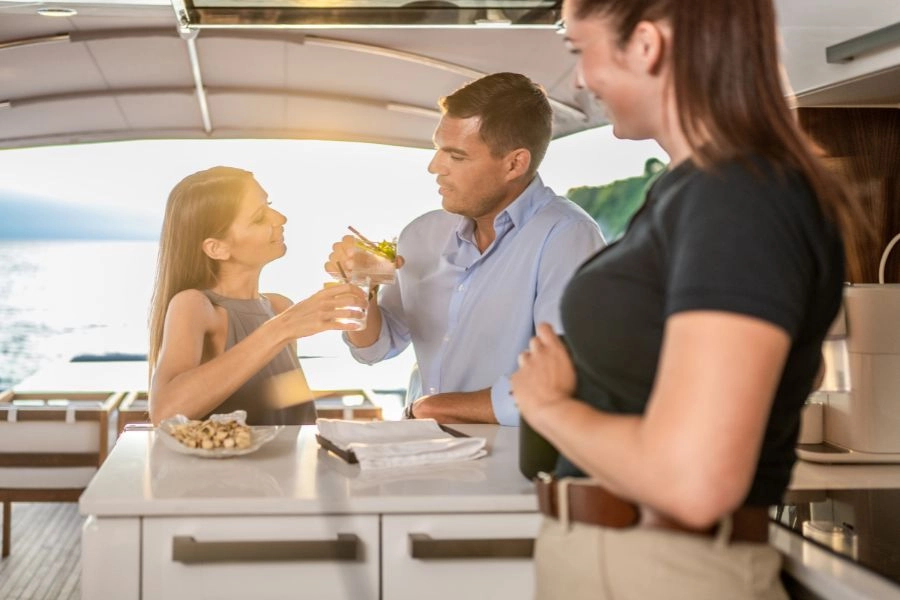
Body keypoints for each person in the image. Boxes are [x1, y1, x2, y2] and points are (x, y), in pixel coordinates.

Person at [510, 1, 867, 598]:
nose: (578, 79)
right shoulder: (697, 189)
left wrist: (547, 406)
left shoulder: (738, 197)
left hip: (663, 573)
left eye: (579, 49)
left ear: (647, 44)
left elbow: (695, 481)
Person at [326, 72, 605, 426]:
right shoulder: (420, 234)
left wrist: (431, 408)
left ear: (514, 164)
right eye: (437, 149)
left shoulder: (568, 237)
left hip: (512, 465)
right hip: (426, 449)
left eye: (455, 156)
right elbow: (376, 347)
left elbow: (566, 380)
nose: (434, 167)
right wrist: (360, 288)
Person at [148, 166, 367, 426]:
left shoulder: (278, 306)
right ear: (217, 248)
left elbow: (282, 407)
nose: (280, 218)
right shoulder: (195, 305)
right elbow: (165, 411)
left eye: (270, 205)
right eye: (259, 217)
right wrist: (283, 327)